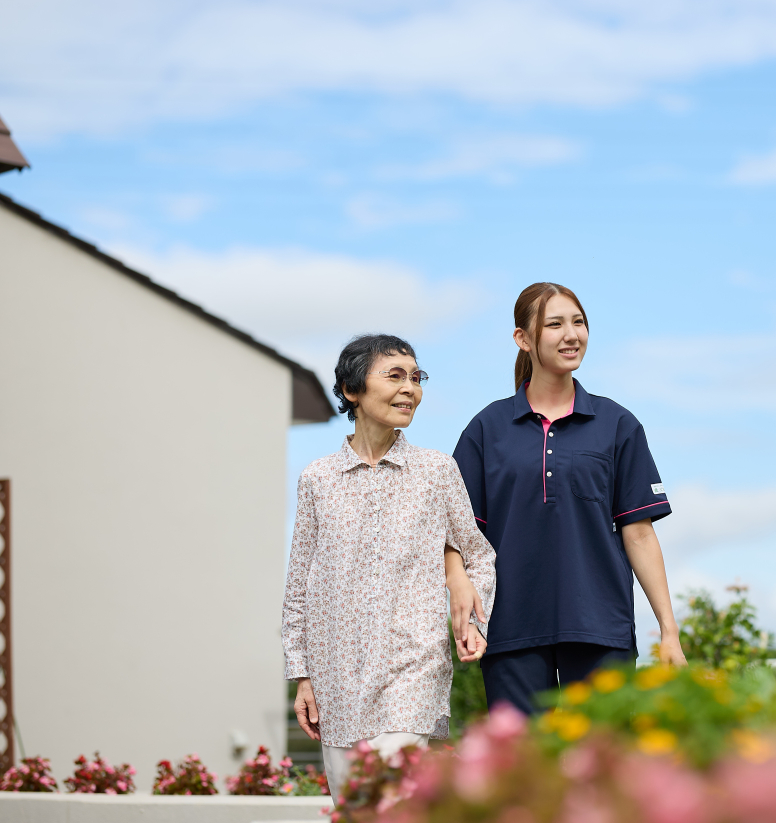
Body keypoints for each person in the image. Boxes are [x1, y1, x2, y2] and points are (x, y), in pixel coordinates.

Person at [444, 282, 686, 715]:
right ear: (523, 338)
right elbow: (455, 535)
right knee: (524, 771)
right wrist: (463, 601)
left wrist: (669, 631)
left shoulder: (617, 423)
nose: (571, 334)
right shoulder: (486, 429)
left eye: (578, 322)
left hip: (600, 627)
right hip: (510, 628)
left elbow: (640, 535)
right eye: (554, 324)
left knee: (601, 771)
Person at [282, 334, 495, 789]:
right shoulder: (316, 479)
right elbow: (299, 583)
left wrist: (476, 620)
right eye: (395, 376)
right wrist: (301, 674)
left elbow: (478, 555)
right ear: (351, 390)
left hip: (413, 668)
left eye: (416, 378)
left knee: (396, 799)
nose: (410, 389)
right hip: (336, 674)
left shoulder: (437, 471)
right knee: (356, 805)